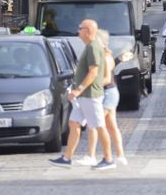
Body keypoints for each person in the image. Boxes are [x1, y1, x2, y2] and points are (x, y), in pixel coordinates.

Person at [49, 19, 115, 170]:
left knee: (99, 126)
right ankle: (67, 158)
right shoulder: (89, 47)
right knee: (74, 123)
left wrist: (79, 89)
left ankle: (108, 159)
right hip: (83, 95)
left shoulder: (93, 47)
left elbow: (93, 72)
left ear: (87, 31)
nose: (78, 31)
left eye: (80, 28)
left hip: (91, 95)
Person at [98, 30, 128, 166]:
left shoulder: (105, 55)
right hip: (110, 92)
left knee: (100, 124)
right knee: (111, 126)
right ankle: (120, 156)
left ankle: (108, 157)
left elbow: (106, 78)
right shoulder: (105, 54)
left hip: (109, 92)